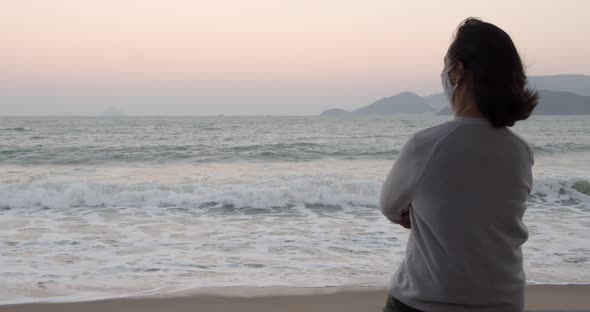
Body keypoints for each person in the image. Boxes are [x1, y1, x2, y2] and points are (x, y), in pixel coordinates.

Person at [380, 18, 538, 312]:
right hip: (503, 302)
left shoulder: (426, 145)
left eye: (446, 66)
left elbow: (390, 207)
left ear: (458, 71)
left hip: (425, 300)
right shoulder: (520, 151)